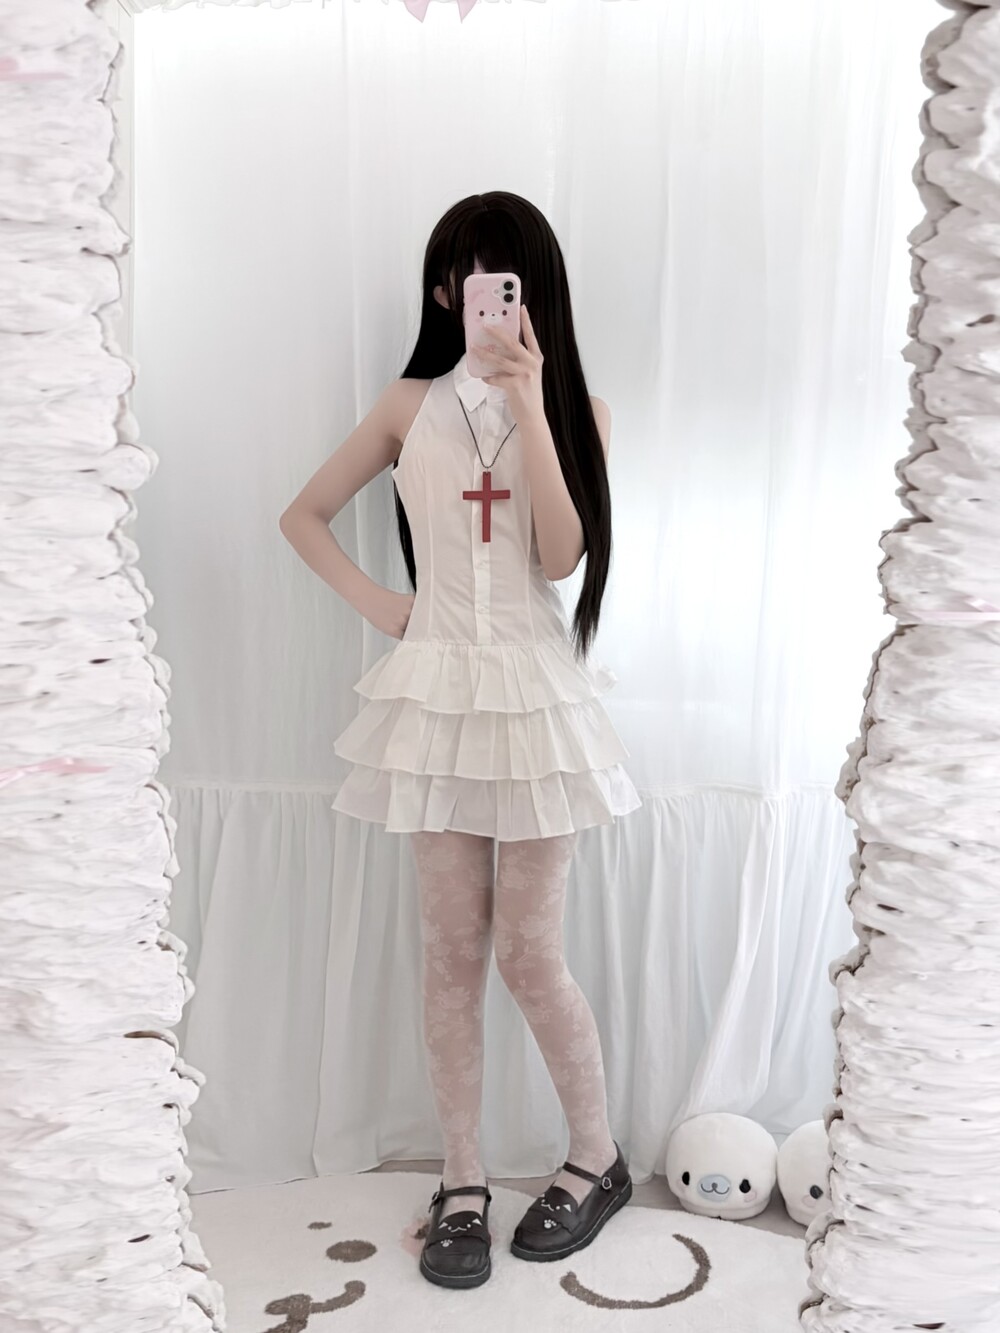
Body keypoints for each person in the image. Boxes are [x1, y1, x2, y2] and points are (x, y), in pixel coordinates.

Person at [279, 191, 641, 1290]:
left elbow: (562, 556)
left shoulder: (577, 408)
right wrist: (384, 606)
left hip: (534, 702)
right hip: (435, 700)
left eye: (499, 276)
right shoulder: (407, 405)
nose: (476, 295)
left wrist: (530, 398)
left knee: (530, 952)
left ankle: (596, 1157)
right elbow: (302, 514)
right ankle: (464, 1178)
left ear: (534, 292)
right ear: (444, 291)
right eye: (463, 274)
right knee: (449, 953)